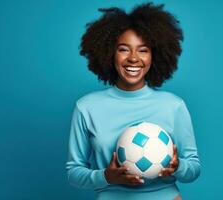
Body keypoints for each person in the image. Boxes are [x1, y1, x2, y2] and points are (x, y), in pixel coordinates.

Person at [66, 2, 201, 200]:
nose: (133, 58)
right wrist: (106, 176)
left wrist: (178, 166)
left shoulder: (173, 106)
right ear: (109, 53)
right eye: (123, 49)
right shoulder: (86, 107)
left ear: (154, 56)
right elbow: (73, 172)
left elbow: (194, 168)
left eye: (143, 50)